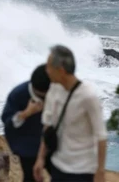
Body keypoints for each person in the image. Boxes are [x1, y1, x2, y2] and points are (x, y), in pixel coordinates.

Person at [33, 45, 108, 182]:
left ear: (61, 70)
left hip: (83, 171)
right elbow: (48, 126)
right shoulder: (53, 91)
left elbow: (101, 136)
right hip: (58, 167)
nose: (46, 71)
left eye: (49, 67)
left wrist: (100, 171)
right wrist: (40, 158)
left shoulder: (88, 96)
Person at [1, 64, 51, 182]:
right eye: (41, 96)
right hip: (26, 144)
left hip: (51, 141)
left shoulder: (57, 91)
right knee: (32, 177)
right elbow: (7, 123)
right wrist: (26, 113)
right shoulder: (18, 94)